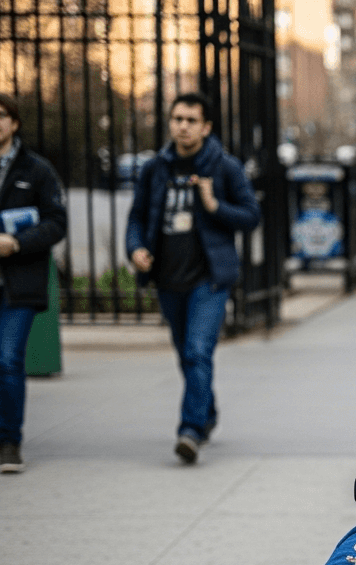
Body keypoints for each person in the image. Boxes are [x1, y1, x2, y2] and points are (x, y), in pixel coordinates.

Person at [126, 92, 260, 464]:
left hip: (210, 278)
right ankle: (207, 412)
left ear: (205, 127)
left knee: (198, 351)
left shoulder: (224, 167)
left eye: (190, 120)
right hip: (168, 279)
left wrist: (215, 205)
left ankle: (189, 431)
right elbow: (136, 216)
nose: (182, 126)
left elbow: (251, 215)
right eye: (177, 119)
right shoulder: (156, 168)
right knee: (187, 356)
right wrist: (135, 248)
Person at [0, 91, 67, 474]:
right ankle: (2, 420)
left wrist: (18, 242)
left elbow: (57, 223)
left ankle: (9, 441)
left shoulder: (36, 170)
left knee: (6, 359)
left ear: (14, 123)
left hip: (16, 284)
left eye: (1, 115)